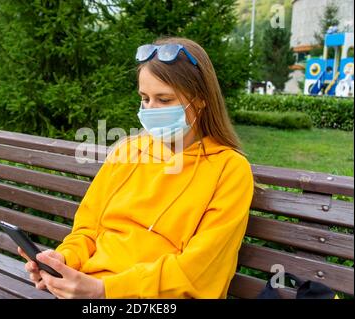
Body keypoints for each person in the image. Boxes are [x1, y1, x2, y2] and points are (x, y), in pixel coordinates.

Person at [18, 36, 255, 299]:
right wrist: (63, 260)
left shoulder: (229, 169)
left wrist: (104, 291)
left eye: (164, 100)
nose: (151, 110)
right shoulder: (127, 151)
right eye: (145, 98)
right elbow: (87, 230)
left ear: (200, 100)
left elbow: (199, 271)